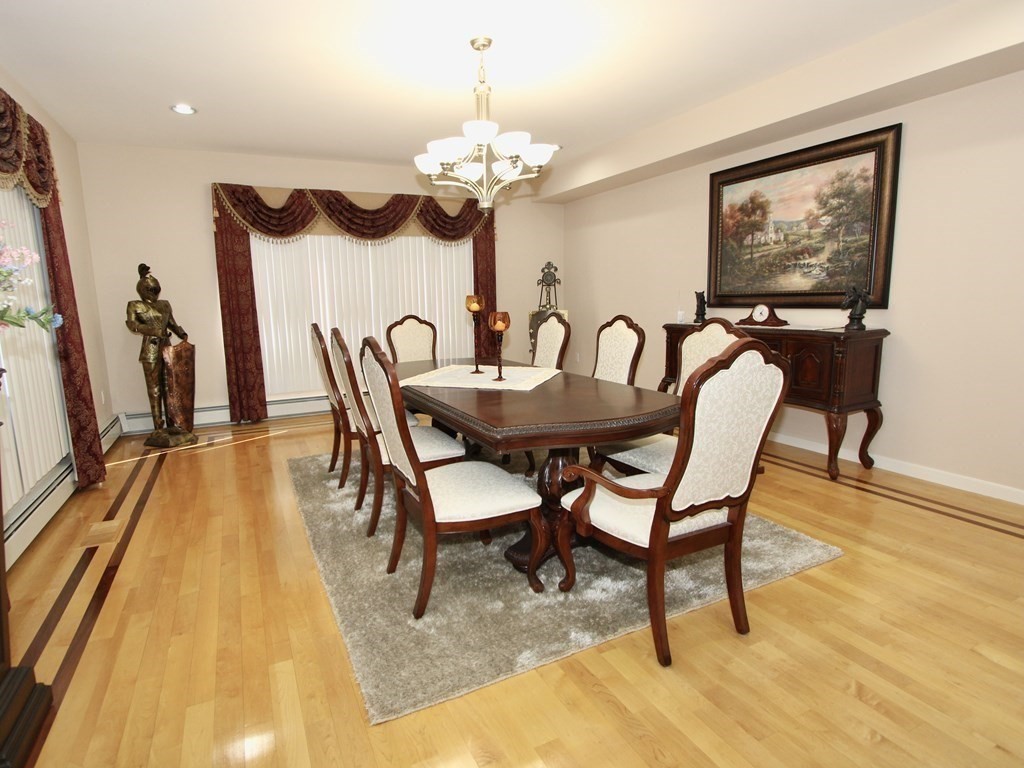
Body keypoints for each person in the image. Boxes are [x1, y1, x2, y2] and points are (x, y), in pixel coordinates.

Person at [125, 263, 187, 431]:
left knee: (169, 386)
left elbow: (172, 323)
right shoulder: (135, 305)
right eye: (151, 288)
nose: (154, 291)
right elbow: (132, 325)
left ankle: (172, 422)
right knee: (154, 389)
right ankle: (158, 426)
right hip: (150, 349)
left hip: (166, 348)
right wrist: (154, 330)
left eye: (155, 288)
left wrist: (181, 333)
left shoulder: (164, 304)